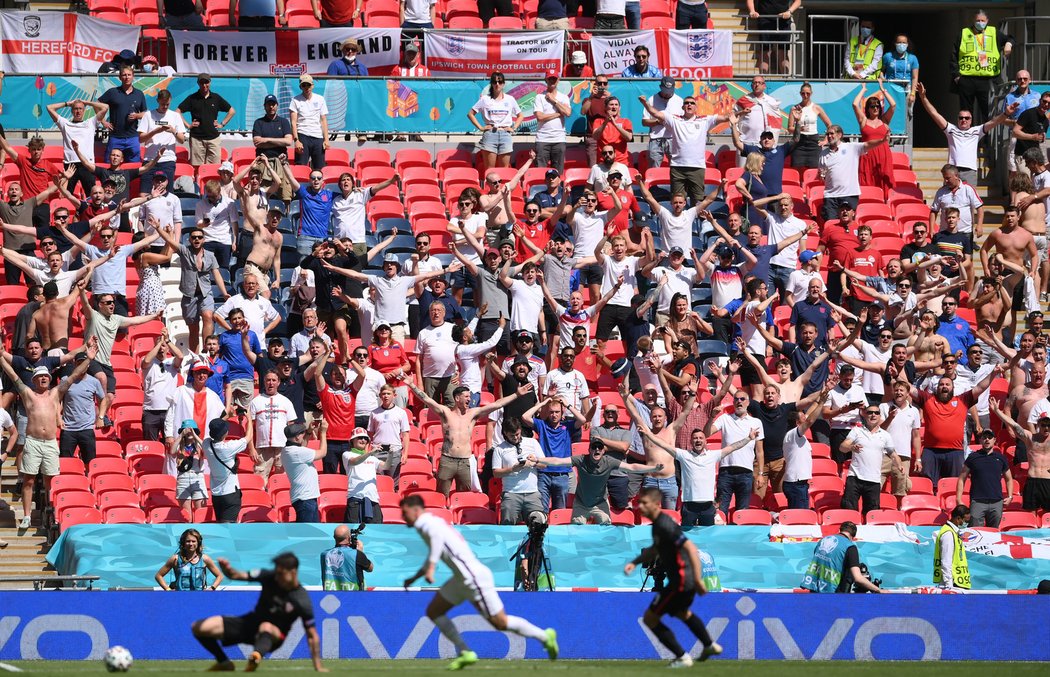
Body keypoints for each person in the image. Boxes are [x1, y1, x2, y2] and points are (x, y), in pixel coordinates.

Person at [400, 494, 559, 670]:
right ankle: (465, 652)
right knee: (434, 611)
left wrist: (431, 567)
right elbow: (438, 546)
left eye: (405, 512)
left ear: (415, 510)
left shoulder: (426, 524)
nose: (403, 516)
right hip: (461, 579)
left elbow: (437, 542)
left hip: (473, 578)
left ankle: (545, 636)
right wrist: (414, 577)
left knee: (500, 623)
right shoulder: (432, 523)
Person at [623, 487, 723, 668]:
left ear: (656, 504)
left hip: (682, 580)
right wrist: (635, 562)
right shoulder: (658, 526)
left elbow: (691, 548)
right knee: (682, 613)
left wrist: (698, 579)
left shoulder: (665, 525)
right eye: (639, 502)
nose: (640, 506)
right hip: (684, 580)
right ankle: (709, 645)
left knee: (649, 618)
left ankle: (682, 657)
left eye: (644, 503)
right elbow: (655, 550)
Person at [191, 552, 324, 672]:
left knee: (265, 626)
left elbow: (312, 635)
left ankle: (255, 657)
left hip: (274, 635)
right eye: (276, 573)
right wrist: (227, 569)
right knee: (198, 627)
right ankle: (224, 662)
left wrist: (317, 666)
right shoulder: (268, 576)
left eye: (281, 574)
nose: (277, 577)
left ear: (293, 572)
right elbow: (236, 575)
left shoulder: (301, 599)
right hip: (250, 623)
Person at [408, 382, 530, 497]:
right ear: (457, 398)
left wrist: (517, 394)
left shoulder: (473, 414)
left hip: (465, 462)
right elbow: (426, 399)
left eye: (469, 397)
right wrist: (411, 384)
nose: (469, 399)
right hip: (447, 460)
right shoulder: (446, 413)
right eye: (466, 397)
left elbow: (497, 404)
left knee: (464, 495)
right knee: (441, 495)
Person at [531, 437, 664, 525]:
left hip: (600, 503)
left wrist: (652, 467)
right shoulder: (581, 459)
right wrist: (538, 460)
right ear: (589, 450)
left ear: (603, 451)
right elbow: (557, 461)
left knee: (606, 528)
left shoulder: (609, 461)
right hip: (581, 503)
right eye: (594, 448)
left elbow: (632, 467)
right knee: (576, 531)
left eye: (599, 448)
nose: (597, 450)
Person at [915, 82, 1019, 187]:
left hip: (970, 172)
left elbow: (994, 122)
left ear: (971, 120)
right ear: (958, 120)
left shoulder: (977, 131)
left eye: (967, 118)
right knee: (949, 200)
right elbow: (934, 113)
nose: (964, 120)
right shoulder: (951, 129)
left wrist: (1006, 113)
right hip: (952, 170)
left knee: (969, 201)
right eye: (961, 118)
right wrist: (923, 97)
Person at [640, 94, 730, 205]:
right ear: (682, 107)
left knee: (697, 203)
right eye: (686, 103)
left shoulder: (705, 120)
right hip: (678, 168)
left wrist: (741, 113)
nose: (689, 105)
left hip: (697, 168)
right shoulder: (674, 119)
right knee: (677, 202)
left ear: (696, 107)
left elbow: (726, 118)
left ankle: (697, 222)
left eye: (692, 103)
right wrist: (645, 103)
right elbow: (655, 113)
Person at [951, 9, 1013, 125]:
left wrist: (1008, 44)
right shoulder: (964, 33)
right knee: (966, 112)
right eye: (977, 20)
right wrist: (957, 76)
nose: (980, 23)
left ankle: (987, 141)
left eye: (982, 20)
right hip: (967, 78)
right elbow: (954, 56)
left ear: (987, 21)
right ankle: (967, 137)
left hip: (987, 79)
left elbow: (1010, 38)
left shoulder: (994, 32)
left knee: (988, 111)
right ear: (973, 21)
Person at [988, 401, 1050, 514]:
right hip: (1033, 480)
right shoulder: (1030, 438)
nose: (1046, 428)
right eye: (1043, 425)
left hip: (1048, 481)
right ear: (1038, 425)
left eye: (1049, 425)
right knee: (1031, 514)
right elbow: (1013, 424)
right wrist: (997, 411)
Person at [818, 124, 888, 222]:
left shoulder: (851, 147)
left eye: (832, 133)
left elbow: (868, 144)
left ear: (839, 135)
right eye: (827, 134)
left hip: (849, 194)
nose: (829, 136)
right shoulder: (823, 154)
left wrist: (882, 141)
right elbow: (821, 174)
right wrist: (822, 176)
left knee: (848, 223)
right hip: (830, 196)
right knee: (831, 224)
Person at [46, 98, 109, 196]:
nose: (78, 111)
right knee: (67, 195)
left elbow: (105, 107)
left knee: (90, 195)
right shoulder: (65, 124)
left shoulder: (90, 123)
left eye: (80, 109)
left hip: (87, 165)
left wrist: (87, 103)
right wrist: (67, 103)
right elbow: (49, 108)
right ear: (71, 111)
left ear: (84, 111)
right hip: (71, 166)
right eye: (75, 108)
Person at [800, 521, 883, 593]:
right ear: (852, 537)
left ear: (840, 530)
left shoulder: (823, 540)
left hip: (814, 588)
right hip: (832, 593)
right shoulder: (850, 546)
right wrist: (878, 590)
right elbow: (857, 578)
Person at [58, 351, 109, 467]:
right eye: (79, 363)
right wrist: (58, 417)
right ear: (74, 364)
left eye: (84, 363)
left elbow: (103, 400)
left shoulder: (94, 382)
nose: (82, 366)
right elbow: (58, 399)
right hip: (68, 429)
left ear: (88, 365)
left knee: (90, 462)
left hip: (86, 428)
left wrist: (100, 417)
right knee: (65, 463)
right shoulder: (66, 380)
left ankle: (89, 483)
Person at [491, 418, 544, 524]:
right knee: (507, 525)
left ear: (520, 430)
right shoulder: (499, 449)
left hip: (532, 492)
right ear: (505, 433)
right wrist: (512, 469)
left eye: (517, 434)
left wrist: (534, 462)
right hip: (511, 494)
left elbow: (544, 464)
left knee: (539, 524)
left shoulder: (532, 442)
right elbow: (496, 473)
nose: (515, 438)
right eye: (512, 435)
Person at [176, 74, 234, 167]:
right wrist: (188, 125)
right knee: (197, 168)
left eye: (206, 82)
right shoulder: (192, 98)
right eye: (201, 83)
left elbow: (232, 111)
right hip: (197, 139)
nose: (204, 85)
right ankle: (197, 182)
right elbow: (177, 112)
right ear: (198, 83)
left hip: (214, 139)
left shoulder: (216, 97)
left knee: (214, 169)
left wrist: (222, 124)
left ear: (210, 83)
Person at [468, 72, 522, 170]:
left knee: (504, 170)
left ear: (504, 84)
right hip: (490, 134)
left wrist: (514, 128)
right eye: (494, 82)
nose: (497, 84)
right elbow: (470, 114)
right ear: (491, 84)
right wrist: (481, 127)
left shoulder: (510, 99)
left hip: (505, 134)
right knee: (490, 170)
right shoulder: (485, 99)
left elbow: (520, 115)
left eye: (500, 82)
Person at [204, 418, 252, 522]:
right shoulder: (228, 447)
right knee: (228, 528)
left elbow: (211, 435)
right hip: (230, 494)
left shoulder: (206, 444)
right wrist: (249, 418)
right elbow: (248, 437)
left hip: (216, 495)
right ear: (225, 433)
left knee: (221, 526)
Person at [853, 80, 896, 194]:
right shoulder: (864, 121)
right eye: (872, 106)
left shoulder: (884, 120)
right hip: (867, 156)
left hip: (883, 156)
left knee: (884, 183)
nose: (875, 108)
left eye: (877, 106)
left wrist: (883, 91)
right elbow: (854, 104)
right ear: (867, 108)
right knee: (867, 182)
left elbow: (893, 105)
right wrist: (863, 90)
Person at [98, 65, 147, 160]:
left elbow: (145, 113)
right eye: (124, 75)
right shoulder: (113, 92)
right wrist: (103, 121)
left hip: (133, 138)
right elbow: (97, 104)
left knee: (134, 168)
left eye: (129, 74)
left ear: (133, 76)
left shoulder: (139, 94)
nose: (127, 77)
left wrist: (137, 116)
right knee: (109, 166)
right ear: (120, 77)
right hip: (115, 137)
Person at [282, 422, 326, 523]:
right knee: (305, 534)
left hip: (305, 498)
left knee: (309, 533)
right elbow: (323, 452)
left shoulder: (288, 450)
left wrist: (309, 432)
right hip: (305, 499)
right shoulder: (297, 452)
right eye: (302, 433)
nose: (303, 434)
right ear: (297, 437)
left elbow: (302, 446)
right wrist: (323, 433)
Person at [342, 428, 388, 523]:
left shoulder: (372, 458)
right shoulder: (347, 454)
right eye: (359, 437)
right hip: (355, 498)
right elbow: (354, 461)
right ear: (352, 441)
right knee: (353, 530)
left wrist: (392, 454)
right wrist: (370, 452)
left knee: (376, 530)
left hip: (373, 498)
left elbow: (386, 466)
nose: (363, 440)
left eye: (365, 438)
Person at [155, 529, 223, 591]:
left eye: (193, 541)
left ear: (198, 543)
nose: (191, 544)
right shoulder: (175, 558)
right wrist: (168, 590)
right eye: (188, 541)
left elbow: (219, 576)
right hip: (180, 598)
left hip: (200, 597)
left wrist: (212, 588)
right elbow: (158, 576)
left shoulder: (205, 559)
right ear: (183, 543)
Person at [533, 70, 571, 173]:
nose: (552, 81)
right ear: (546, 80)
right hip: (542, 139)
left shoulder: (563, 97)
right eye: (550, 79)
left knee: (558, 172)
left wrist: (554, 101)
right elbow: (540, 117)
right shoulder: (539, 97)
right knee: (541, 172)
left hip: (559, 139)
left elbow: (567, 113)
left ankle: (558, 189)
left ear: (558, 80)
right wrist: (558, 114)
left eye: (554, 78)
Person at [290, 74, 329, 171]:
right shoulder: (295, 100)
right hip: (302, 135)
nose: (306, 87)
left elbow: (323, 120)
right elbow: (293, 122)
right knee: (300, 168)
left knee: (320, 169)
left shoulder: (320, 99)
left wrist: (326, 139)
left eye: (308, 85)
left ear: (313, 85)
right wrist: (296, 140)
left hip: (318, 137)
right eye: (304, 85)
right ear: (300, 87)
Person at [320, 524, 374, 591]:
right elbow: (370, 568)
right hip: (353, 597)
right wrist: (360, 552)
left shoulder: (324, 554)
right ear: (349, 537)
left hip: (331, 596)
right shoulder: (356, 554)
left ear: (334, 537)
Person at [934, 504, 972, 590]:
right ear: (958, 518)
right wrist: (949, 586)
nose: (966, 524)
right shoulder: (948, 534)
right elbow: (946, 561)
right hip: (953, 584)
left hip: (958, 582)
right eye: (966, 521)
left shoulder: (954, 532)